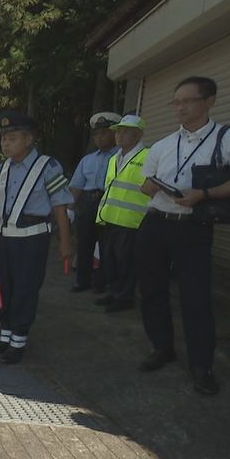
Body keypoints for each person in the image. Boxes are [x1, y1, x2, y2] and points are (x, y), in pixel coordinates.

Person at [136, 76, 230, 395]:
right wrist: (151, 186)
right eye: (175, 101)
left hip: (193, 227)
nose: (179, 107)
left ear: (209, 102)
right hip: (155, 223)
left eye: (186, 101)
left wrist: (204, 194)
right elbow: (144, 186)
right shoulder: (164, 144)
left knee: (195, 298)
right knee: (151, 291)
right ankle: (162, 348)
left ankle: (201, 366)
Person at [0, 111, 74, 364]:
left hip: (32, 239)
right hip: (5, 238)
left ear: (28, 139)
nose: (5, 143)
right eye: (3, 139)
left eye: (11, 138)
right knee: (6, 288)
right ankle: (5, 337)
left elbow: (60, 206)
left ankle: (18, 342)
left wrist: (66, 243)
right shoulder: (2, 168)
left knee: (25, 289)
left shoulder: (47, 166)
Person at [94, 114, 150, 313]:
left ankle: (124, 297)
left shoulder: (147, 157)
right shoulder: (114, 158)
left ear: (138, 134)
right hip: (110, 218)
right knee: (110, 260)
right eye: (118, 131)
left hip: (132, 221)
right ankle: (114, 292)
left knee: (125, 262)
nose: (119, 135)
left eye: (125, 131)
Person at [69, 112, 121, 293]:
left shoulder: (122, 158)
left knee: (107, 245)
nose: (99, 138)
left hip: (110, 202)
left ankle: (102, 282)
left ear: (115, 133)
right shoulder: (87, 160)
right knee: (84, 243)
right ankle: (82, 280)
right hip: (88, 203)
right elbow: (76, 186)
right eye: (96, 134)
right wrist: (70, 209)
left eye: (104, 133)